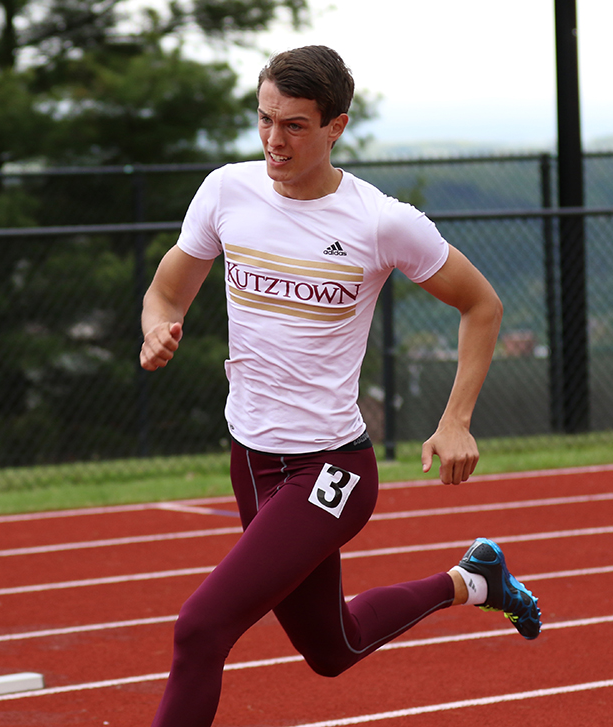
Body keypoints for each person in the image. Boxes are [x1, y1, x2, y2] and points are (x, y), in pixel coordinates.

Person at [139, 45, 541, 727]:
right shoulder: (226, 191)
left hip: (331, 468)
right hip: (250, 459)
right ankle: (473, 580)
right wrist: (157, 327)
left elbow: (482, 304)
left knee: (200, 628)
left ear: (336, 127)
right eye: (265, 119)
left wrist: (456, 420)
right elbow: (167, 290)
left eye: (294, 125)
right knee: (333, 648)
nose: (274, 140)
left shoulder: (380, 221)